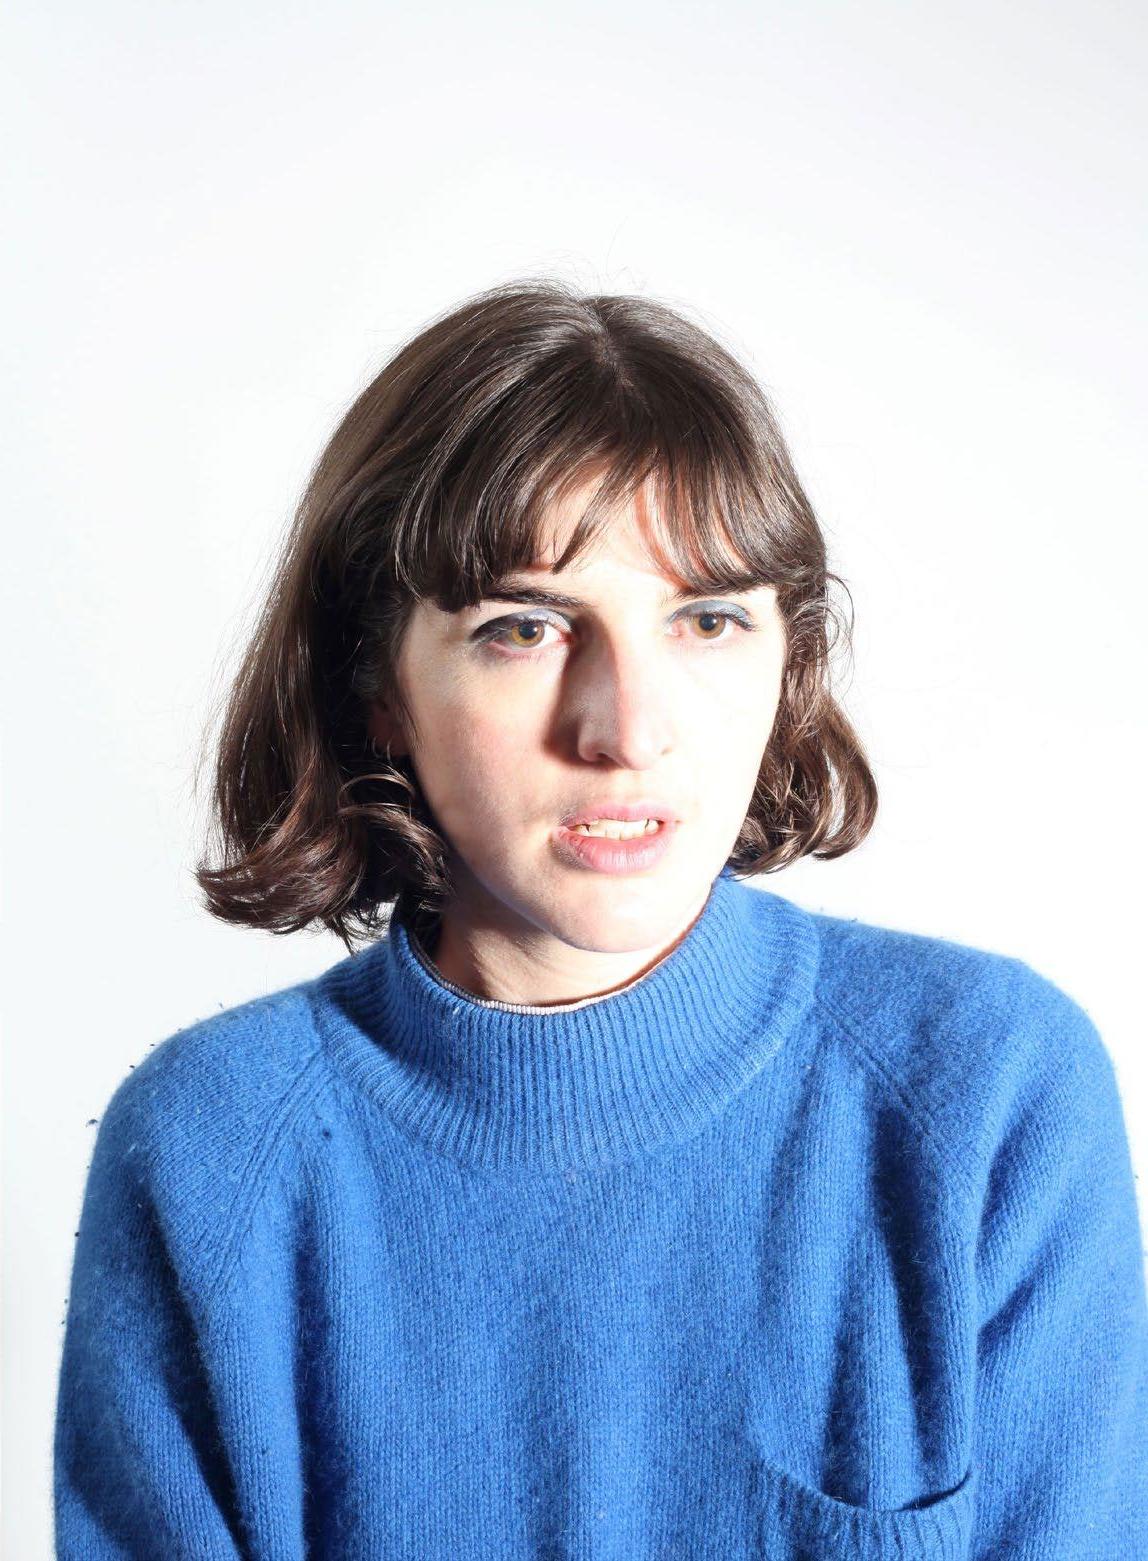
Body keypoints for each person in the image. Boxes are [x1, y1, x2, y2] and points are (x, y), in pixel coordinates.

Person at [53, 279, 1147, 1558]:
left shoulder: (986, 1091)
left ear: (787, 659)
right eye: (524, 628)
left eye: (707, 620)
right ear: (376, 687)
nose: (626, 729)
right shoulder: (210, 1150)